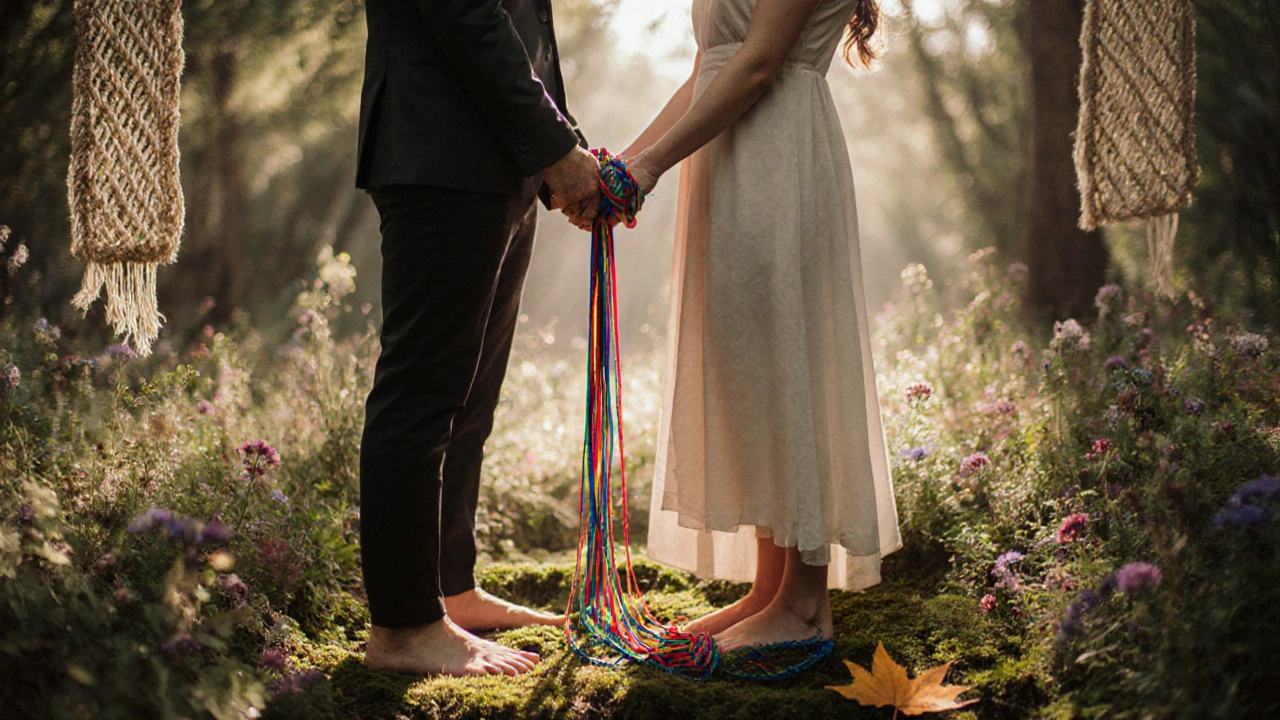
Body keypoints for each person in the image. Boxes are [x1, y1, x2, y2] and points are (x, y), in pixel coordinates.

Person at [624, 0, 902, 650]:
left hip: (778, 152)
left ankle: (804, 607)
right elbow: (709, 67)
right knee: (747, 361)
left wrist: (650, 166)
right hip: (728, 153)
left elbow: (757, 64)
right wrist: (624, 166)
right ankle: (770, 589)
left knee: (786, 354)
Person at [354, 0, 600, 677]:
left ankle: (449, 590)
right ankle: (403, 626)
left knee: (470, 401)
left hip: (498, 158)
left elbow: (527, 28)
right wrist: (557, 149)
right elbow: (464, 12)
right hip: (442, 147)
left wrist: (563, 147)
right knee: (423, 396)